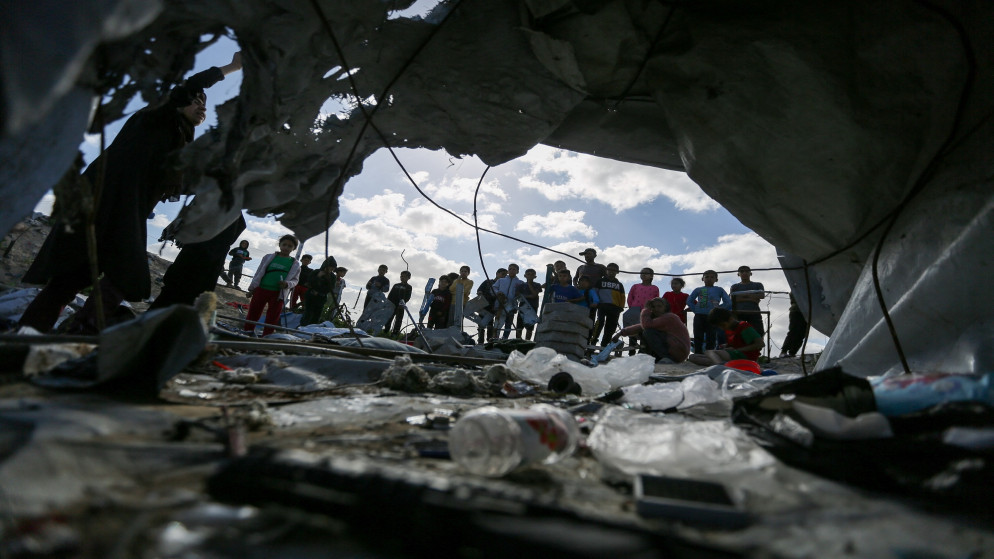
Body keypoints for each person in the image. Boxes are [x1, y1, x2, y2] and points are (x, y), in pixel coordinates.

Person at [19, 53, 244, 333]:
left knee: (91, 275)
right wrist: (234, 67)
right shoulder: (158, 117)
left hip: (124, 209)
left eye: (204, 104)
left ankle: (56, 332)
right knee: (104, 274)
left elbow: (182, 182)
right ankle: (51, 332)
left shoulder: (178, 144)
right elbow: (191, 85)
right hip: (105, 200)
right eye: (196, 101)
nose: (201, 107)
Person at [150, 214, 246, 310]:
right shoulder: (234, 217)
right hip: (201, 266)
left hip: (195, 262)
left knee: (170, 299)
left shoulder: (229, 214)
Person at [244, 235, 300, 336]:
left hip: (278, 294)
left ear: (293, 249)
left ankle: (267, 336)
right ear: (279, 245)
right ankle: (247, 332)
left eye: (290, 246)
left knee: (272, 317)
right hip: (261, 289)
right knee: (253, 313)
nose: (286, 247)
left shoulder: (295, 264)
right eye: (284, 245)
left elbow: (295, 281)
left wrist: (287, 284)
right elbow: (259, 273)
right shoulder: (268, 257)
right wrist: (252, 289)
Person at [614, 298, 691, 364]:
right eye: (653, 307)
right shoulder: (657, 319)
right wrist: (620, 333)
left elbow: (646, 325)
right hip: (672, 349)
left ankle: (667, 358)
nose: (656, 309)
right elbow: (640, 327)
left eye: (659, 306)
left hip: (678, 352)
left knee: (648, 332)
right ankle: (653, 357)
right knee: (645, 331)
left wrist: (646, 310)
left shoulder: (670, 317)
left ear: (665, 308)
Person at [686, 270, 731, 354]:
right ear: (702, 279)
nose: (709, 279)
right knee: (698, 335)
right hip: (699, 315)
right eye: (707, 277)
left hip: (712, 317)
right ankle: (698, 354)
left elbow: (728, 302)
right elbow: (689, 301)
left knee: (711, 336)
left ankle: (709, 354)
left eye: (712, 277)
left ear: (716, 280)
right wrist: (695, 310)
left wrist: (717, 310)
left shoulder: (719, 290)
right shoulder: (698, 289)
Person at [625, 267, 660, 355]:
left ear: (651, 276)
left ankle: (642, 353)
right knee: (633, 331)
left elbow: (656, 300)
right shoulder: (635, 286)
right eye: (642, 273)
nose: (643, 274)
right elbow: (630, 298)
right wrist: (632, 308)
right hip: (635, 310)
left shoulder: (655, 288)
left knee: (644, 331)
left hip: (648, 312)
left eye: (646, 273)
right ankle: (631, 353)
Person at [593, 263, 625, 346]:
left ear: (617, 272)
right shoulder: (600, 281)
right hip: (602, 305)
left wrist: (621, 307)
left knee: (610, 327)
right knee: (600, 322)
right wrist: (596, 302)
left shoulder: (619, 285)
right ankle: (593, 342)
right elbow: (595, 292)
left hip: (615, 307)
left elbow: (622, 297)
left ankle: (604, 345)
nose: (611, 272)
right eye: (609, 269)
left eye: (614, 270)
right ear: (606, 270)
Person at [300, 257, 338, 327]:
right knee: (307, 313)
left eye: (333, 268)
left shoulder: (332, 277)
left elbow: (330, 288)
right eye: (330, 267)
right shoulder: (316, 272)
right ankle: (302, 327)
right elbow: (309, 282)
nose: (331, 269)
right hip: (310, 296)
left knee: (317, 315)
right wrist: (318, 277)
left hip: (321, 297)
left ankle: (311, 329)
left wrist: (319, 292)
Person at [729, 265, 766, 336]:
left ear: (750, 273)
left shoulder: (758, 285)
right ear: (738, 274)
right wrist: (752, 297)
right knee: (739, 333)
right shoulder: (734, 286)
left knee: (758, 332)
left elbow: (761, 296)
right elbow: (733, 299)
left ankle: (757, 346)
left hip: (754, 312)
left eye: (747, 271)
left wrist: (741, 297)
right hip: (739, 313)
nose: (744, 273)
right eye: (742, 271)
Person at [491, 263, 525, 340]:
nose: (512, 271)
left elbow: (522, 295)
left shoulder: (520, 282)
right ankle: (495, 337)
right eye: (510, 269)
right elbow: (494, 288)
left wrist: (518, 295)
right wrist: (498, 292)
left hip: (512, 306)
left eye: (514, 269)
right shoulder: (501, 280)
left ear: (517, 271)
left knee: (508, 323)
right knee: (498, 322)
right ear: (508, 271)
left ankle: (505, 338)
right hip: (500, 304)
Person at [476, 268, 506, 342]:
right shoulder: (488, 282)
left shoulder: (502, 286)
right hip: (483, 306)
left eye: (505, 275)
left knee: (490, 325)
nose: (503, 277)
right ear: (497, 273)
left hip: (492, 307)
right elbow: (479, 290)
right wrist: (480, 295)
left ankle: (489, 341)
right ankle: (480, 341)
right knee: (481, 324)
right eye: (503, 274)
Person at [515, 268, 543, 340]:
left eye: (532, 275)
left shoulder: (537, 285)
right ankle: (518, 341)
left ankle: (527, 342)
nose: (530, 276)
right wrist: (528, 296)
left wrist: (530, 284)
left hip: (533, 307)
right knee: (519, 327)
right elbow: (518, 295)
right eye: (528, 274)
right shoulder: (521, 285)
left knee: (530, 327)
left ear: (535, 276)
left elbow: (534, 295)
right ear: (525, 275)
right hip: (522, 307)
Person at [383, 270, 413, 336]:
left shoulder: (409, 287)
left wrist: (402, 303)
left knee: (398, 320)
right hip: (392, 304)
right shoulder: (396, 285)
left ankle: (395, 333)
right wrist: (387, 302)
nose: (402, 278)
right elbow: (390, 294)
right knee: (388, 318)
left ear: (408, 278)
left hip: (401, 306)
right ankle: (386, 331)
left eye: (404, 276)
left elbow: (408, 297)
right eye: (401, 276)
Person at [780, 292, 809, 357]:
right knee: (793, 331)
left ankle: (793, 352)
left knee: (802, 334)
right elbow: (793, 294)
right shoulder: (796, 288)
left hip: (806, 313)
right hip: (796, 311)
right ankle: (784, 351)